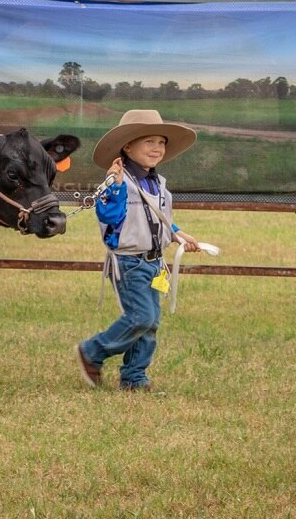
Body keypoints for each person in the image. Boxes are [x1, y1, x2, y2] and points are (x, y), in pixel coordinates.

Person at [75, 109, 202, 392]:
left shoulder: (158, 184)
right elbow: (109, 216)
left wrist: (178, 234)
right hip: (129, 263)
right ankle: (92, 351)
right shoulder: (116, 182)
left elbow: (159, 218)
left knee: (151, 323)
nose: (157, 148)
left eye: (161, 142)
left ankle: (134, 377)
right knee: (140, 317)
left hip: (154, 263)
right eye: (149, 142)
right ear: (128, 146)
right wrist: (116, 188)